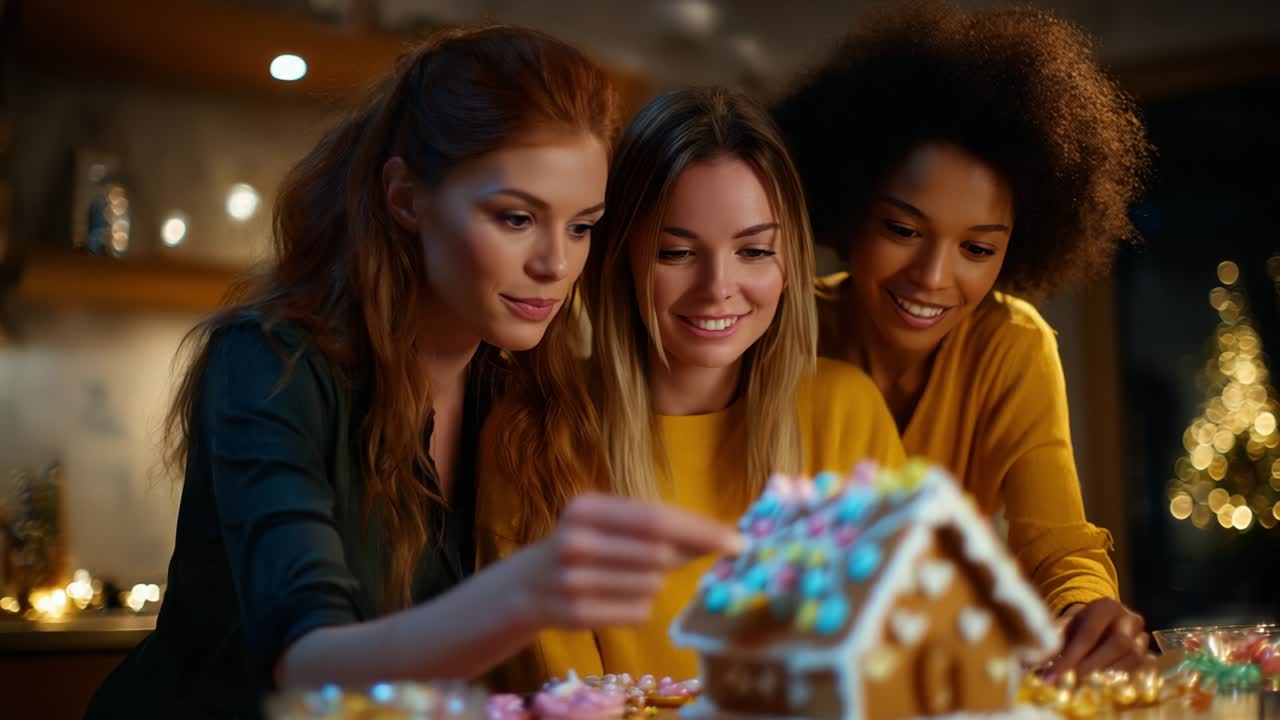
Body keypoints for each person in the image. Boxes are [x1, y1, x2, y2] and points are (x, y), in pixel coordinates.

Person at [86, 26, 741, 718]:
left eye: (581, 227)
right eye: (516, 218)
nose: (555, 263)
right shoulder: (269, 363)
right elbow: (308, 667)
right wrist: (525, 592)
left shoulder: (514, 392)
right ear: (405, 197)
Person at [478, 86, 905, 690]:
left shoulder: (846, 412)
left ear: (789, 262)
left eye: (753, 250)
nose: (717, 288)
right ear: (619, 255)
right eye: (676, 252)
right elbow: (563, 698)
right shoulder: (534, 437)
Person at [772, 2, 1153, 677]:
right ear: (849, 209)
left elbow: (1057, 544)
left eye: (977, 248)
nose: (932, 277)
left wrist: (1084, 609)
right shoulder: (778, 331)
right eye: (902, 230)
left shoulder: (1011, 346)